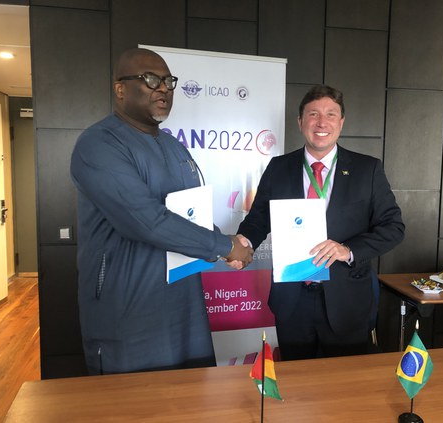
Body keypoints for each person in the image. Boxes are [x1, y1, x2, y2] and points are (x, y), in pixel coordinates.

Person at [70, 48, 253, 375]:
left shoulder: (174, 147)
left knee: (191, 393)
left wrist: (227, 243)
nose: (164, 89)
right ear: (120, 89)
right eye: (151, 79)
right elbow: (146, 221)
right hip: (129, 309)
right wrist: (224, 246)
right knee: (134, 400)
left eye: (169, 81)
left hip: (185, 303)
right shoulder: (98, 144)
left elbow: (190, 216)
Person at [237, 85, 404, 360]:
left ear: (341, 122)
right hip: (292, 299)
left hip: (346, 300)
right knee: (296, 381)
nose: (321, 122)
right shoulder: (279, 167)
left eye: (330, 114)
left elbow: (393, 227)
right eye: (313, 114)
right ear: (300, 122)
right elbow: (258, 219)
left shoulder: (367, 169)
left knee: (344, 382)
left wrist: (347, 250)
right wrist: (243, 242)